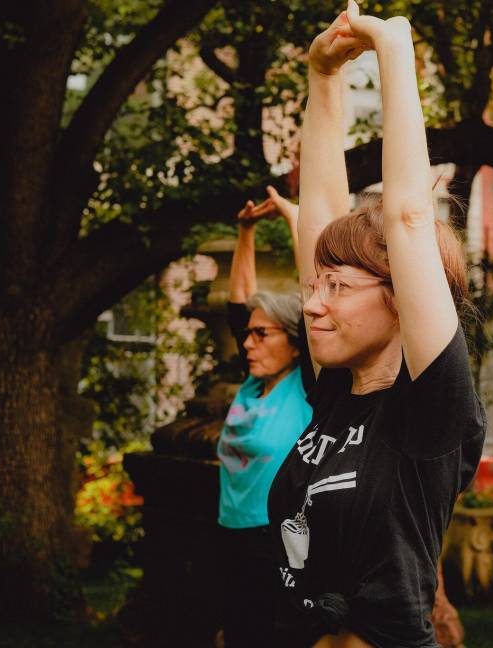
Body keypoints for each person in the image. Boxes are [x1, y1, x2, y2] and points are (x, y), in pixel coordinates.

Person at [267, 4, 486, 646]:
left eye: (337, 288)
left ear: (401, 301)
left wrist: (393, 49)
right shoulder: (336, 390)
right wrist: (323, 77)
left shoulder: (430, 414)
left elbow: (409, 218)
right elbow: (321, 212)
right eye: (314, 287)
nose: (312, 304)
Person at [217, 188, 313, 648]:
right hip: (230, 535)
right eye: (247, 336)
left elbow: (314, 295)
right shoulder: (252, 385)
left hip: (275, 540)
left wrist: (296, 220)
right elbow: (238, 307)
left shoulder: (306, 386)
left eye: (261, 335)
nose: (248, 343)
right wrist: (246, 231)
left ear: (294, 343)